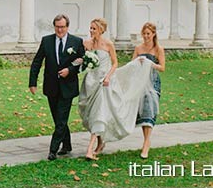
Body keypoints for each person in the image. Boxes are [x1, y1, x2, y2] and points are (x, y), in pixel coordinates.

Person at [78, 18, 154, 161]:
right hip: (90, 81)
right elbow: (82, 59)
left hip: (104, 82)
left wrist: (107, 77)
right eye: (90, 28)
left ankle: (89, 150)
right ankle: (100, 144)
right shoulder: (86, 44)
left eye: (94, 28)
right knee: (91, 114)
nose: (91, 31)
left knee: (99, 113)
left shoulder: (108, 44)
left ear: (101, 29)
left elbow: (115, 63)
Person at [29, 14, 85, 161]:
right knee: (58, 118)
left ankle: (53, 150)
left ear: (67, 27)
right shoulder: (46, 41)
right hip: (51, 85)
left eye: (62, 27)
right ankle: (67, 145)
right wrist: (32, 82)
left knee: (61, 119)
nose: (60, 30)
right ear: (54, 27)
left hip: (68, 87)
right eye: (57, 27)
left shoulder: (77, 41)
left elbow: (82, 62)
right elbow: (37, 61)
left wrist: (69, 70)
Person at [132, 22, 165, 159]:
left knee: (150, 109)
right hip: (141, 81)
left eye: (148, 34)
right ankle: (146, 139)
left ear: (153, 34)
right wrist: (138, 62)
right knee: (143, 111)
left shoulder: (158, 49)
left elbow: (162, 67)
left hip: (152, 81)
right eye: (144, 34)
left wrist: (152, 64)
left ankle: (146, 142)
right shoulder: (138, 48)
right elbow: (131, 64)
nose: (146, 36)